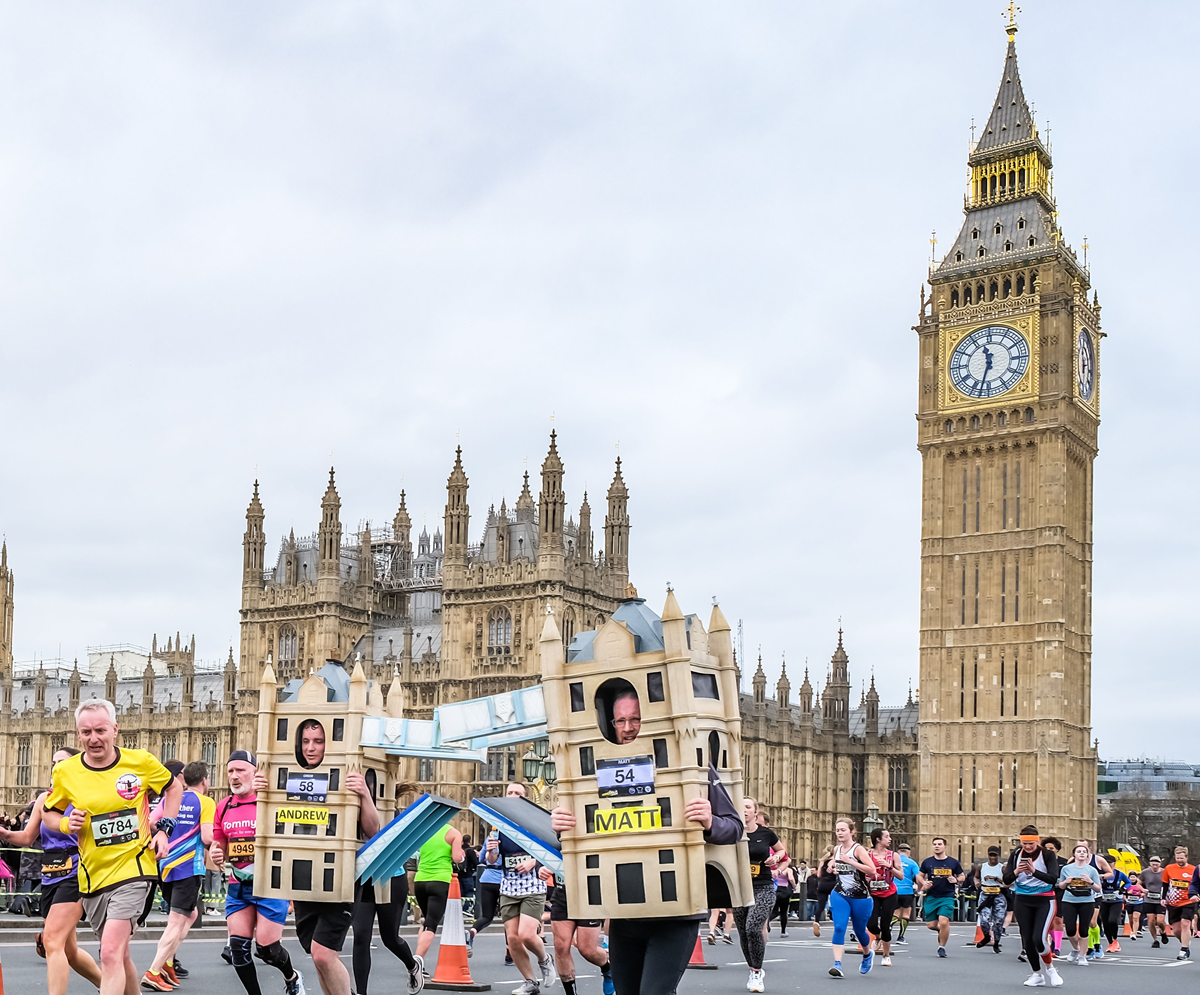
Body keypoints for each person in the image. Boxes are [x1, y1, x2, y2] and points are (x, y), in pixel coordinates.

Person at [550, 764, 743, 995]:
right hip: (625, 913)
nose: (627, 727)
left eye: (635, 723)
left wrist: (710, 821)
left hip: (676, 914)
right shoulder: (599, 770)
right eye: (618, 723)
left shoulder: (696, 767)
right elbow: (588, 829)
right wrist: (564, 827)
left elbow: (735, 827)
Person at [43, 700, 183, 995]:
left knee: (108, 953)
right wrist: (67, 824)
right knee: (120, 955)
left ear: (115, 730)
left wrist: (165, 831)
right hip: (93, 876)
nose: (94, 738)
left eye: (100, 730)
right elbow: (49, 813)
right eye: (86, 732)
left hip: (135, 868)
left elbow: (174, 787)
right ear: (78, 734)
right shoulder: (66, 771)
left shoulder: (140, 761)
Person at [252, 729, 382, 995]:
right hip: (302, 877)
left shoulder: (346, 777)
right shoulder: (287, 777)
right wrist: (262, 792)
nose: (311, 748)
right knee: (317, 954)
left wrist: (365, 795)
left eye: (319, 741)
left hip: (339, 879)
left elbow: (373, 830)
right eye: (306, 741)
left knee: (324, 954)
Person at [0, 748, 102, 995]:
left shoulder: (87, 797)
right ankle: (114, 988)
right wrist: (4, 834)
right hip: (50, 874)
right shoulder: (45, 801)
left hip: (77, 872)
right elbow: (26, 837)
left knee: (52, 940)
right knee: (70, 952)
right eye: (54, 763)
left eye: (62, 763)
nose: (56, 768)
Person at [211, 750, 309, 995]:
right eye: (230, 771)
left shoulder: (271, 801)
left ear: (255, 771)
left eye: (240, 770)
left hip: (270, 886)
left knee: (267, 950)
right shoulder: (223, 807)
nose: (234, 776)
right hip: (239, 886)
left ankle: (292, 977)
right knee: (238, 948)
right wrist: (216, 853)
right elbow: (219, 844)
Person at [142, 760, 216, 990]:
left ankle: (168, 961)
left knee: (191, 914)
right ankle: (154, 970)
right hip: (188, 867)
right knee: (176, 921)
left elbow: (151, 821)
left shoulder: (171, 798)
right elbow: (206, 837)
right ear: (205, 780)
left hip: (164, 866)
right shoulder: (206, 802)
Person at [353, 781, 423, 995]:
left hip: (391, 879)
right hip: (363, 879)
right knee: (361, 936)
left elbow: (378, 833)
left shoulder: (389, 810)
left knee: (389, 938)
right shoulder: (349, 806)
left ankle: (413, 965)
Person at [486, 782, 556, 995]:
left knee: (526, 935)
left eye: (518, 793)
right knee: (513, 940)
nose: (513, 795)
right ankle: (530, 982)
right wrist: (491, 852)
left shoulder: (532, 821)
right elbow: (491, 860)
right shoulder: (497, 824)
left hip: (532, 884)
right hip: (509, 886)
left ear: (526, 798)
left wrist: (534, 862)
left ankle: (545, 959)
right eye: (510, 792)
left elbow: (552, 848)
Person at [1001, 825, 1062, 988]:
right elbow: (1006, 880)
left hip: (1045, 900)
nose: (1027, 847)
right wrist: (1016, 872)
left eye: (1031, 844)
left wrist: (1033, 871)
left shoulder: (1047, 855)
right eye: (1025, 844)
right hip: (1023, 900)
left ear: (1037, 842)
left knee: (1039, 938)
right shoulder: (1016, 854)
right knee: (1027, 940)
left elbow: (1053, 878)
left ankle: (1050, 968)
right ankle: (1037, 974)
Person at [542, 867, 614, 995]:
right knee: (561, 947)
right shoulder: (560, 845)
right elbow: (544, 854)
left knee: (587, 950)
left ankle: (607, 969)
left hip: (589, 894)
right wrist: (540, 868)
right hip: (562, 894)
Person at [733, 797, 779, 992]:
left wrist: (776, 857)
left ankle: (757, 971)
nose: (744, 811)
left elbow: (782, 851)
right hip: (739, 888)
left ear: (755, 812)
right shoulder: (731, 833)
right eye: (741, 807)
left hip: (763, 886)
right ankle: (752, 970)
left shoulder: (766, 833)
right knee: (743, 932)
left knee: (753, 928)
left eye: (748, 807)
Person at [826, 818, 875, 978]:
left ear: (852, 832)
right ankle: (837, 964)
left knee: (859, 930)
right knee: (839, 927)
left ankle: (867, 954)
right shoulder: (837, 849)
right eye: (837, 830)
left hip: (860, 897)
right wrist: (832, 865)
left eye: (843, 830)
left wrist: (852, 863)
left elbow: (872, 870)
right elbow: (837, 861)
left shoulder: (858, 850)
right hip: (840, 893)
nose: (839, 833)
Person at [414, 822, 466, 965]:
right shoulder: (453, 833)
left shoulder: (424, 830)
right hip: (440, 880)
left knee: (426, 921)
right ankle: (416, 963)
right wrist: (462, 856)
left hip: (420, 880)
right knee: (431, 925)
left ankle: (417, 962)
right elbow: (456, 858)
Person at [916, 837, 964, 958]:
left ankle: (941, 947)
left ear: (944, 846)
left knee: (943, 921)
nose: (937, 846)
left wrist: (956, 879)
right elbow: (919, 876)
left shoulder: (953, 862)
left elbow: (962, 876)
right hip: (932, 896)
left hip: (947, 896)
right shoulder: (927, 862)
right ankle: (942, 931)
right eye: (935, 844)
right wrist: (924, 883)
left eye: (939, 844)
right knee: (931, 925)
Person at [1056, 842, 1101, 966]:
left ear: (1087, 855)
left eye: (1084, 852)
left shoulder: (1092, 870)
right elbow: (1060, 885)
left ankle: (1082, 956)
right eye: (1079, 851)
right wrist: (1066, 882)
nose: (1081, 853)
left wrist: (1090, 882)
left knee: (1084, 930)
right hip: (1069, 900)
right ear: (1074, 854)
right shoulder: (1066, 869)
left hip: (1087, 901)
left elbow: (1098, 889)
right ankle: (1076, 949)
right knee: (1070, 929)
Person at [865, 828, 903, 967]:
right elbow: (861, 872)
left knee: (885, 925)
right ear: (878, 839)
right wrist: (866, 877)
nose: (890, 839)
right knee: (871, 924)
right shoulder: (867, 854)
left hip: (889, 894)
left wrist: (889, 867)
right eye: (887, 836)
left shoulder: (893, 855)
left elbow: (901, 876)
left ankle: (886, 955)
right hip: (873, 893)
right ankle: (878, 937)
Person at [469, 828, 503, 953]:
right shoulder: (509, 840)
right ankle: (510, 952)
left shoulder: (491, 837)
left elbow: (481, 858)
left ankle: (472, 932)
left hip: (487, 879)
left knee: (487, 916)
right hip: (504, 880)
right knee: (510, 920)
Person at [1165, 845, 1197, 960]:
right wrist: (1163, 898)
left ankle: (1183, 950)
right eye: (1177, 858)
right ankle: (1185, 942)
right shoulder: (1169, 868)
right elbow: (1165, 884)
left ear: (1187, 858)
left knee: (1185, 923)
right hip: (1173, 902)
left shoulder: (1194, 869)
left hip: (1189, 900)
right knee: (1177, 930)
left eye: (1182, 858)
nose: (1179, 860)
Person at [975, 845, 1007, 953]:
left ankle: (996, 942)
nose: (993, 857)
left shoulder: (1002, 868)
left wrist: (997, 879)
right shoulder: (981, 866)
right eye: (991, 855)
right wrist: (977, 883)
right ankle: (986, 936)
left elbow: (1008, 883)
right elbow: (976, 877)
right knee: (984, 920)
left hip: (999, 894)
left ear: (998, 855)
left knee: (998, 921)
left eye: (995, 855)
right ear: (988, 855)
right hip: (985, 894)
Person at [1097, 861, 1128, 953]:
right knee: (1105, 922)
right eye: (1107, 863)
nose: (1109, 865)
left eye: (1111, 863)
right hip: (1104, 901)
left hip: (1116, 901)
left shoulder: (1119, 874)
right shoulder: (1100, 874)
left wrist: (1123, 889)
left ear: (1114, 864)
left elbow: (1128, 882)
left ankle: (1115, 939)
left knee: (1112, 920)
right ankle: (1111, 942)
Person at [893, 843, 920, 943]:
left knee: (895, 913)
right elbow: (918, 877)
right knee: (906, 913)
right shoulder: (912, 863)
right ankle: (900, 937)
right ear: (909, 852)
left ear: (898, 852)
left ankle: (888, 928)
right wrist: (919, 889)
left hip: (894, 890)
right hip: (907, 891)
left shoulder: (892, 861)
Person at [1140, 856, 1165, 947]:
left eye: (1156, 865)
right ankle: (1155, 940)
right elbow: (1138, 883)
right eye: (1153, 865)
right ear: (1150, 864)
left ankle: (1163, 932)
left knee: (1160, 921)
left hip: (1161, 899)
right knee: (1150, 920)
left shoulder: (1164, 872)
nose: (1154, 866)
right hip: (1149, 899)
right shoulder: (1145, 872)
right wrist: (1143, 889)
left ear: (1160, 864)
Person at [812, 846, 836, 938]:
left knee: (820, 906)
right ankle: (835, 922)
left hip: (822, 884)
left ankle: (816, 921)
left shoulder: (822, 861)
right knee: (835, 905)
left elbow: (818, 874)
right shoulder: (835, 860)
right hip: (833, 884)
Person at [771, 859, 796, 937]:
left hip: (774, 890)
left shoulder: (773, 870)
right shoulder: (788, 869)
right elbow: (791, 878)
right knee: (783, 912)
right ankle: (783, 931)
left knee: (774, 910)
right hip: (784, 891)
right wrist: (794, 886)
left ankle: (767, 920)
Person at [1124, 874, 1145, 941]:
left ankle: (1134, 933)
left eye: (1134, 877)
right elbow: (1122, 892)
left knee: (1135, 918)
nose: (1132, 879)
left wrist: (1142, 894)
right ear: (1128, 878)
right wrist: (1127, 894)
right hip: (1129, 903)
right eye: (1131, 877)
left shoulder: (1140, 885)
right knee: (1131, 919)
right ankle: (1133, 930)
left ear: (1137, 878)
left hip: (1138, 903)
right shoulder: (1126, 885)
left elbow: (1145, 891)